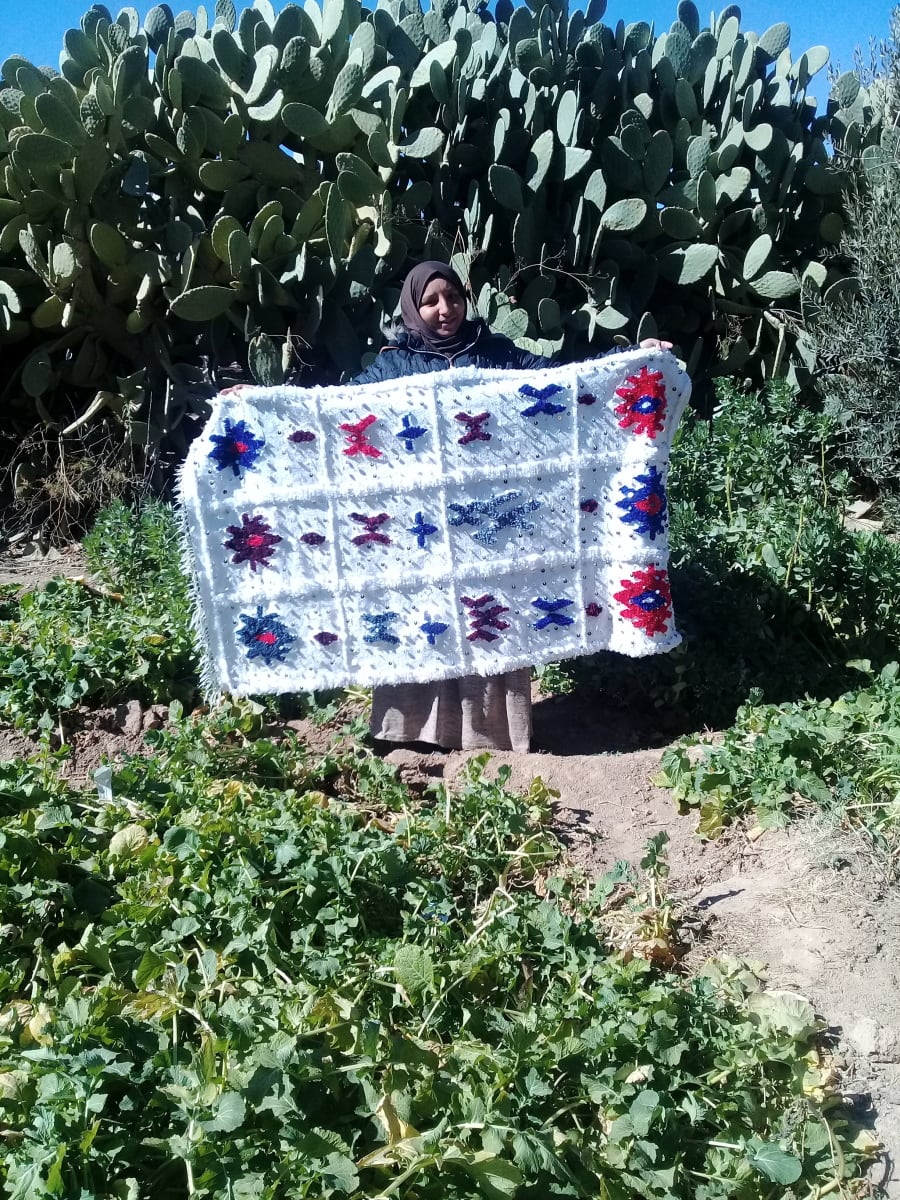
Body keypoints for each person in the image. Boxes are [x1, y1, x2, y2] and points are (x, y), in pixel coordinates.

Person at [349, 260, 672, 754]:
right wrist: (255, 402)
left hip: (490, 524)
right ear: (413, 307)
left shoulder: (495, 353)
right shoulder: (394, 364)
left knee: (490, 620)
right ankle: (410, 734)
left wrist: (631, 359)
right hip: (424, 528)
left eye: (453, 298)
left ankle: (489, 736)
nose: (444, 310)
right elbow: (338, 411)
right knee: (426, 614)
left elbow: (566, 381)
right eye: (431, 301)